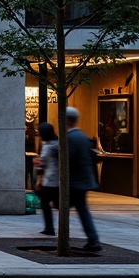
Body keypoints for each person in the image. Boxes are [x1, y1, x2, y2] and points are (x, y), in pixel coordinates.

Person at [65, 106, 102, 253]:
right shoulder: (84, 137)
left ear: (67, 120)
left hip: (75, 182)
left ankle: (93, 239)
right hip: (83, 181)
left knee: (74, 209)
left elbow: (67, 160)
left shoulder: (70, 138)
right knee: (82, 209)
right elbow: (92, 157)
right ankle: (92, 239)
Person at [34, 121, 58, 236]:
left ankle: (49, 228)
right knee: (53, 202)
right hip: (57, 180)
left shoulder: (47, 147)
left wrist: (39, 180)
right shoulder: (57, 143)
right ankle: (50, 227)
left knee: (44, 202)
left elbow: (42, 164)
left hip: (49, 180)